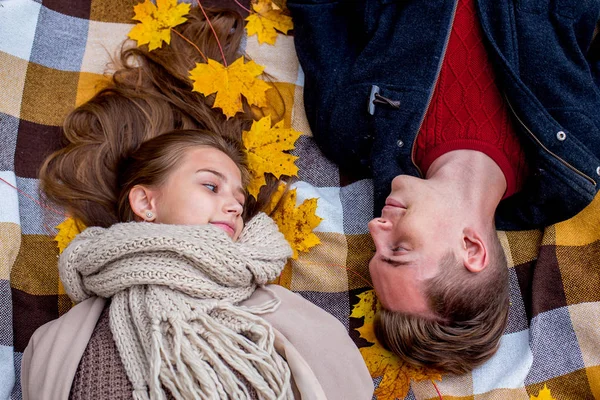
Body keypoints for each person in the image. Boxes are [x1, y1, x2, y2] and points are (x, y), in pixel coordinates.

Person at [21, 6, 373, 400]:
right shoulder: (56, 342)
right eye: (211, 186)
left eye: (240, 198)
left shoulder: (287, 317)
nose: (236, 206)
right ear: (145, 201)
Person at [287, 0, 600, 374]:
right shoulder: (573, 164)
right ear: (471, 248)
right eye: (399, 249)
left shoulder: (352, 130)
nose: (374, 228)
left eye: (376, 248)